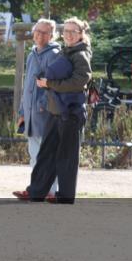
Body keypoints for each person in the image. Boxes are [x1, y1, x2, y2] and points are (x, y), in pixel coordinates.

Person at [14, 17, 92, 204]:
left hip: (70, 112)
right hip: (57, 110)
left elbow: (80, 82)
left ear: (81, 34)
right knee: (46, 154)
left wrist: (50, 83)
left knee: (66, 157)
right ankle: (36, 192)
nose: (69, 35)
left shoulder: (80, 54)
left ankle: (64, 196)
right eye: (66, 31)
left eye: (73, 31)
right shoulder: (68, 51)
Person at [18, 19, 61, 199]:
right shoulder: (31, 54)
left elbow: (54, 84)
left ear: (52, 35)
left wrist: (42, 105)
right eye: (37, 31)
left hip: (45, 113)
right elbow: (27, 85)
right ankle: (37, 189)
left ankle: (50, 190)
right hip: (30, 112)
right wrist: (22, 112)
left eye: (44, 32)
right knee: (34, 154)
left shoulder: (55, 55)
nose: (40, 35)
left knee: (47, 154)